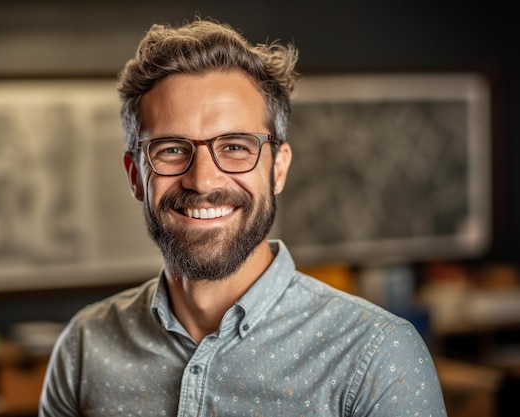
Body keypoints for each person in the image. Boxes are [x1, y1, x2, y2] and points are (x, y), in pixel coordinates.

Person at [39, 17, 447, 417]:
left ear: (279, 169)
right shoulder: (85, 346)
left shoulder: (376, 355)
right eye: (171, 149)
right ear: (135, 176)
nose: (202, 180)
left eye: (235, 146)